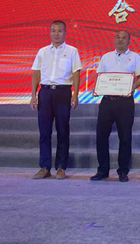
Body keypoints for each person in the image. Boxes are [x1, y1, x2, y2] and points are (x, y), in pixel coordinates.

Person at [91, 30, 140, 182]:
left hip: (125, 102)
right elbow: (100, 77)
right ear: (114, 40)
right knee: (101, 137)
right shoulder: (106, 57)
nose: (120, 40)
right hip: (107, 101)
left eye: (124, 38)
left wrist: (132, 87)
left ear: (129, 41)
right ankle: (102, 170)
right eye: (118, 37)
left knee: (125, 137)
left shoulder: (135, 57)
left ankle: (123, 171)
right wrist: (98, 88)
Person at [30, 20, 82, 180]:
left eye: (60, 31)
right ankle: (44, 167)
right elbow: (36, 73)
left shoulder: (72, 51)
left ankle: (61, 167)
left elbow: (76, 73)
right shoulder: (42, 51)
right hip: (45, 93)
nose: (56, 34)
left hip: (63, 92)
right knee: (44, 132)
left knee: (63, 131)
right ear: (50, 33)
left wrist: (75, 94)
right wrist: (33, 95)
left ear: (65, 33)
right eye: (53, 30)